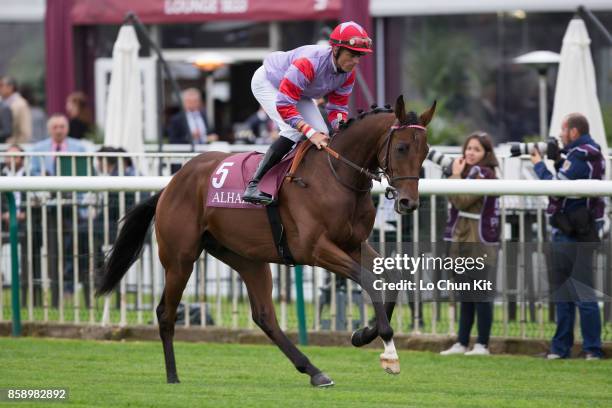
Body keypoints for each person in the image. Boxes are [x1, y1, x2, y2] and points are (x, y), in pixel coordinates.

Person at [243, 21, 372, 205]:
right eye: (352, 54)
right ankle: (254, 184)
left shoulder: (348, 73)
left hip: (300, 91)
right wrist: (310, 133)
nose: (356, 61)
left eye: (359, 56)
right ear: (335, 50)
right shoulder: (309, 62)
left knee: (324, 133)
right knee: (294, 130)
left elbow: (337, 108)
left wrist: (341, 125)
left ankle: (298, 177)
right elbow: (285, 105)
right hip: (269, 82)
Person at [531, 113, 604, 360]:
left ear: (573, 131)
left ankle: (592, 349)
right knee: (564, 294)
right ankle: (561, 349)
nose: (560, 136)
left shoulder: (584, 153)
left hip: (576, 233)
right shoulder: (581, 153)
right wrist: (559, 158)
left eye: (563, 131)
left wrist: (540, 164)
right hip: (568, 231)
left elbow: (557, 188)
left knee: (582, 294)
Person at [440, 132, 500, 356]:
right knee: (464, 294)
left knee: (481, 296)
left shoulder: (485, 174)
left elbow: (462, 199)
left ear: (486, 154)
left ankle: (482, 344)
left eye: (477, 149)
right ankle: (462, 342)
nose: (471, 153)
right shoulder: (466, 173)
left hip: (479, 242)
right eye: (469, 148)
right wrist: (456, 175)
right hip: (460, 240)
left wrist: (454, 175)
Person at [0, 76, 32, 144]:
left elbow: (25, 130)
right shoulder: (2, 102)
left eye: (1, 85)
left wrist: (18, 148)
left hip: (14, 148)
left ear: (10, 87)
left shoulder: (21, 104)